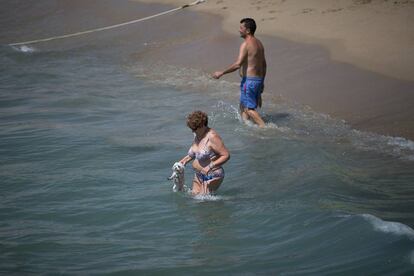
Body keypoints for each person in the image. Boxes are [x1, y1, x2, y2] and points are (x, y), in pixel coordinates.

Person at [212, 18, 267, 128]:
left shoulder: (246, 44)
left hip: (250, 81)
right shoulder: (259, 43)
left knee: (249, 109)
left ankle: (265, 128)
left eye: (241, 28)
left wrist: (221, 73)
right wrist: (261, 83)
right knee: (243, 106)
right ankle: (247, 127)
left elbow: (238, 64)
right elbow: (264, 65)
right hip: (257, 80)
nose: (239, 30)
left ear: (248, 30)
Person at [178, 111, 230, 195]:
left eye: (194, 129)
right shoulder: (197, 135)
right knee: (194, 199)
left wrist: (210, 167)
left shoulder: (212, 137)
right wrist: (181, 163)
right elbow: (194, 154)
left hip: (212, 175)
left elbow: (226, 155)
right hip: (199, 174)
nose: (192, 131)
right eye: (191, 129)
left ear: (202, 125)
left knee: (203, 202)